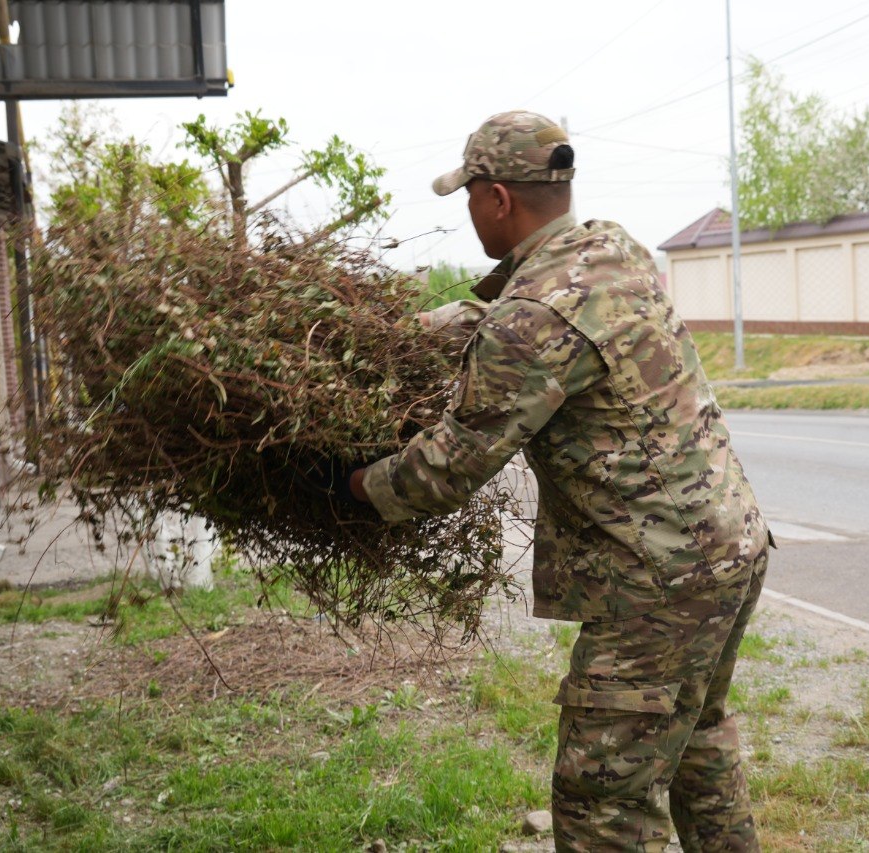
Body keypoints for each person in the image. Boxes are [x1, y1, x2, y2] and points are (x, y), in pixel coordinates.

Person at [345, 111, 772, 852]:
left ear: (497, 198)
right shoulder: (613, 249)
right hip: (732, 546)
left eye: (468, 195)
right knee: (696, 740)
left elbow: (444, 469)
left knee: (604, 802)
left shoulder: (531, 318)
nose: (468, 209)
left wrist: (343, 487)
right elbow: (532, 317)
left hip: (658, 584)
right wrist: (423, 328)